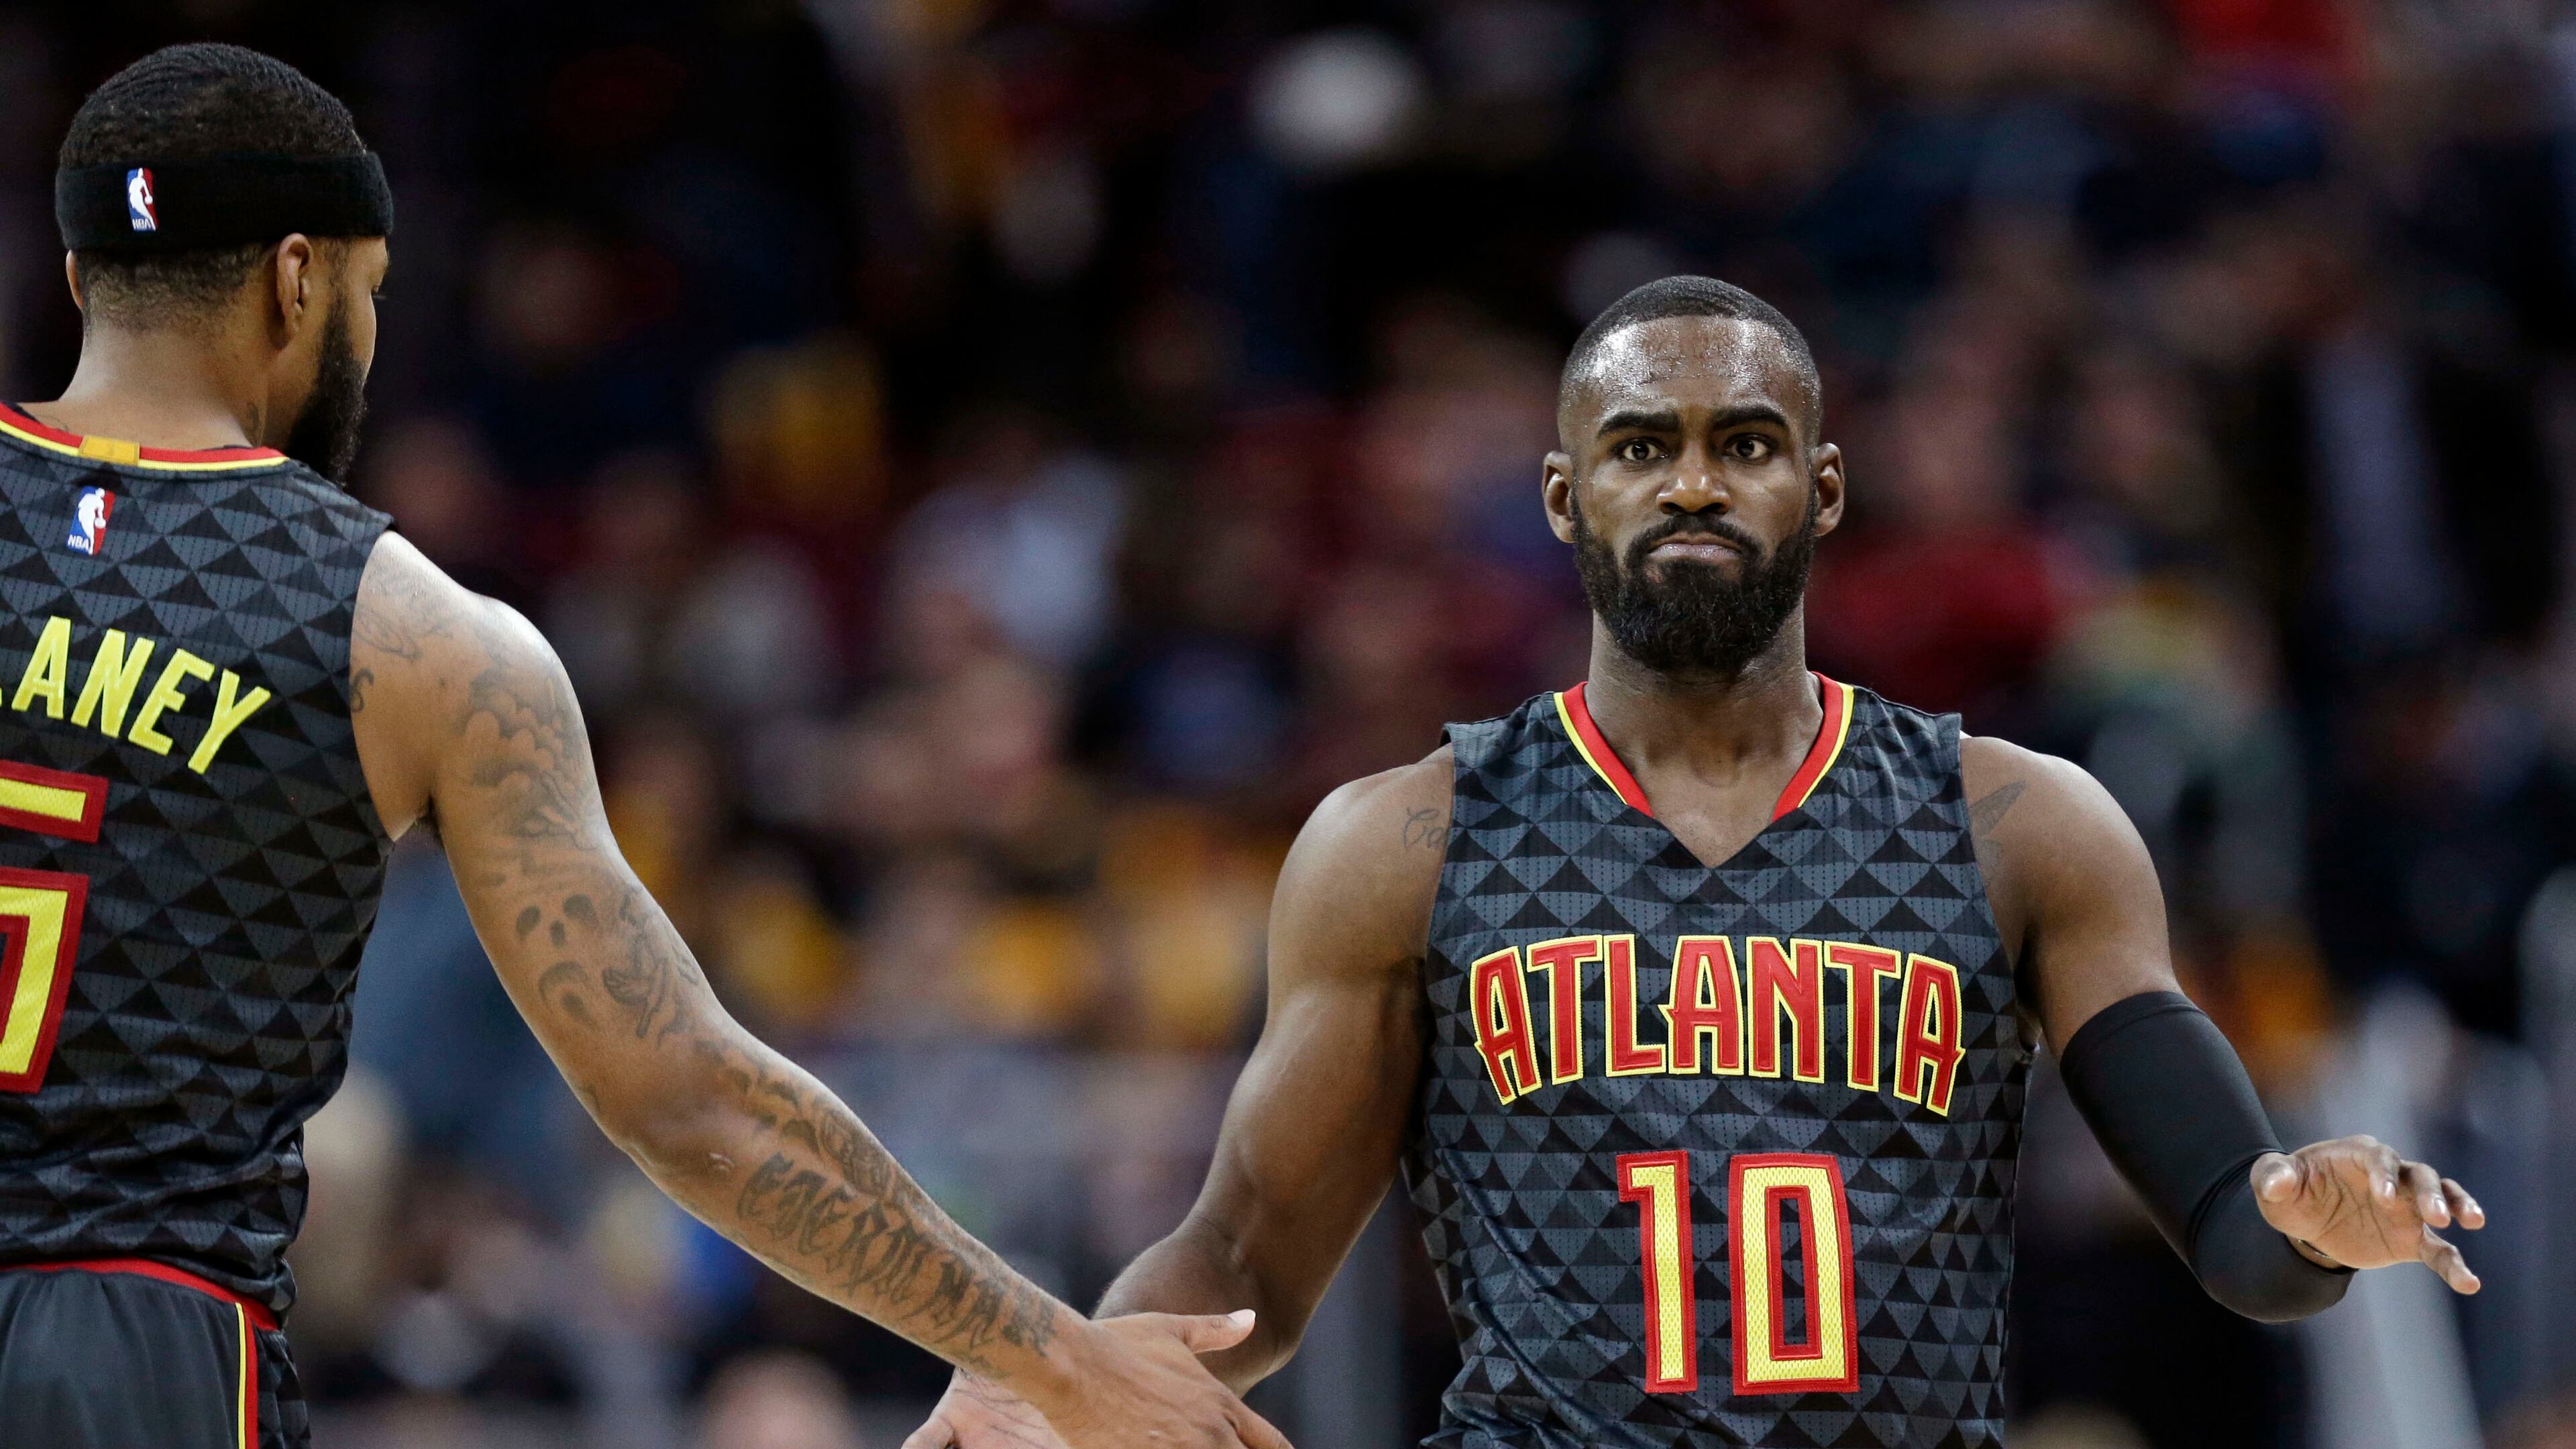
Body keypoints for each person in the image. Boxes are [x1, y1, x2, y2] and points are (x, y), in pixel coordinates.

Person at [908, 276, 2486, 1449]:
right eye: (1640, 445)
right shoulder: (1404, 841)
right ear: (1562, 497)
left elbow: (2233, 1220)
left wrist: (2306, 1209)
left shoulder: (2021, 824)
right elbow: (1245, 1251)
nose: (1691, 482)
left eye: (1744, 442)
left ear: (1825, 485)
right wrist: (1060, 1372)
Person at [0, 44, 1285, 1449]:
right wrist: (1052, 1358)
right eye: (369, 297)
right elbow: (682, 1095)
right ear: (300, 280)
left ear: (78, 281)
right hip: (129, 1341)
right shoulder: (410, 636)